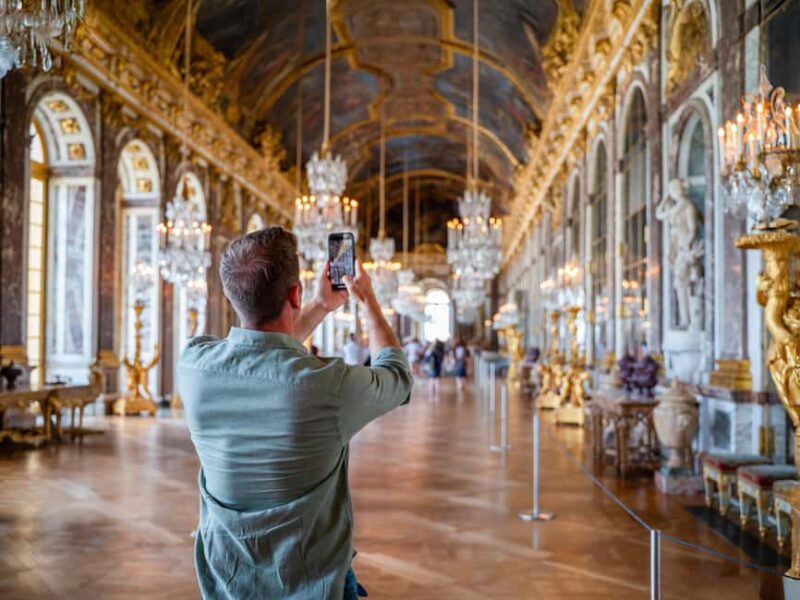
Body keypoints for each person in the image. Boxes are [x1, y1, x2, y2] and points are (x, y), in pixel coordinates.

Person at [177, 227, 413, 600]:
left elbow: (262, 357)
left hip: (226, 582)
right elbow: (398, 377)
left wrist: (319, 306)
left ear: (230, 294)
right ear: (294, 294)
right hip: (312, 584)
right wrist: (366, 300)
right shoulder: (328, 386)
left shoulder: (193, 365)